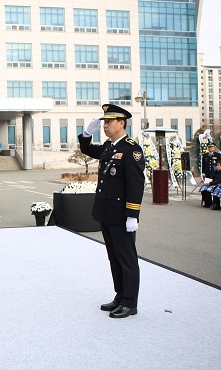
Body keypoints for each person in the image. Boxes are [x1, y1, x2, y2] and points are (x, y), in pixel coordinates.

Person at [78, 104, 145, 319]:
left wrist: (132, 215)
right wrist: (86, 135)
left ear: (122, 123)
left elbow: (135, 185)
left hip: (121, 215)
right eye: (104, 122)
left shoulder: (131, 149)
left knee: (126, 258)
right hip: (106, 212)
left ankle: (130, 302)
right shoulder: (110, 147)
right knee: (114, 258)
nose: (105, 125)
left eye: (109, 122)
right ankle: (120, 295)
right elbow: (87, 150)